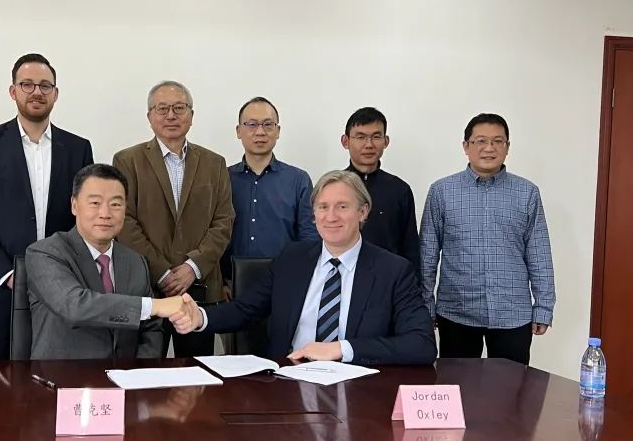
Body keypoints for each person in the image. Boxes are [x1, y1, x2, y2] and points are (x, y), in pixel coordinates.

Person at [170, 170, 435, 366]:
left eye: (342, 207)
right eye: (323, 207)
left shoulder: (393, 271)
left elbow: (421, 344)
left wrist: (341, 349)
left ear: (363, 212)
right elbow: (245, 309)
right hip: (290, 380)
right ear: (314, 214)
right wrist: (200, 317)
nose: (331, 217)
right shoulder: (292, 259)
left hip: (358, 388)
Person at [0, 53, 93, 360]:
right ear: (13, 91)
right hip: (0, 285)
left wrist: (66, 273)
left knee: (58, 371)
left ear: (55, 94)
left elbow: (85, 217)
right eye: (27, 84)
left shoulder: (78, 148)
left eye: (45, 86)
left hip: (62, 285)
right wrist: (7, 273)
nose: (37, 92)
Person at [419, 113, 555, 365]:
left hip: (512, 313)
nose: (489, 148)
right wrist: (426, 305)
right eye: (480, 141)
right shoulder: (441, 191)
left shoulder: (527, 192)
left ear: (507, 147)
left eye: (497, 141)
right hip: (457, 311)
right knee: (457, 383)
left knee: (512, 386)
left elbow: (539, 252)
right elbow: (427, 253)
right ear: (466, 146)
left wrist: (544, 306)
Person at [112, 80, 234, 358]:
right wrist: (163, 273)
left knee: (196, 373)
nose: (171, 115)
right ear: (149, 116)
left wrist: (192, 267)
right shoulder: (127, 161)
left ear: (191, 114)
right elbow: (125, 221)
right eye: (162, 108)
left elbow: (224, 220)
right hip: (147, 287)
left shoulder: (214, 163)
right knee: (143, 371)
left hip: (200, 288)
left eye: (179, 108)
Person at [24, 164, 183, 359]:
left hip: (127, 375)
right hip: (64, 374)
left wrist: (139, 371)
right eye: (95, 203)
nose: (105, 213)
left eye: (115, 204)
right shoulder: (45, 253)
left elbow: (152, 328)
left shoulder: (136, 261)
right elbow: (74, 306)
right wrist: (154, 305)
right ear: (74, 205)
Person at [222, 96, 317, 294]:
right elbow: (212, 233)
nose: (260, 132)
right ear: (238, 131)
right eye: (251, 124)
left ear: (278, 131)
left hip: (285, 284)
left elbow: (309, 238)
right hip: (231, 287)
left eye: (267, 124)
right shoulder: (222, 178)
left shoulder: (298, 180)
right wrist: (220, 282)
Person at [341, 107, 420, 275]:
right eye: (360, 137)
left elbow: (410, 248)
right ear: (345, 141)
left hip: (388, 279)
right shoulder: (334, 188)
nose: (369, 144)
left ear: (386, 141)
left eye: (376, 137)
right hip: (342, 278)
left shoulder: (400, 190)